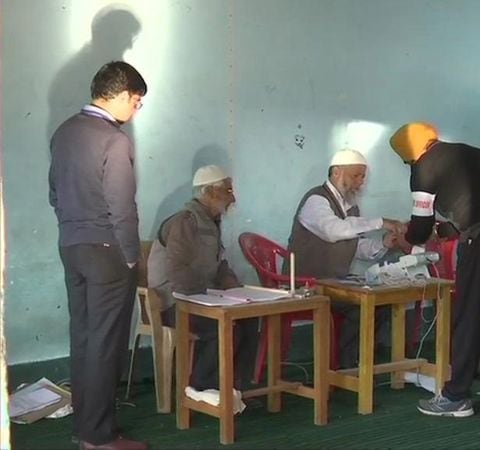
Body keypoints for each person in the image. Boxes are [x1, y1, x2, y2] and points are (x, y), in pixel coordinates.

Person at [389, 122, 480, 418]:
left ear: (408, 154)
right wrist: (446, 229)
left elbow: (420, 227)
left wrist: (407, 235)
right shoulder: (467, 152)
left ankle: (456, 396)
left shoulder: (423, 167)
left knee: (470, 311)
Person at [49, 61, 147, 450]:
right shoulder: (115, 139)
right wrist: (130, 258)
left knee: (85, 337)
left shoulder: (64, 132)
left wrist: (74, 227)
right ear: (121, 95)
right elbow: (122, 206)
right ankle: (100, 436)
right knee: (107, 343)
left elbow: (54, 193)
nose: (137, 110)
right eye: (137, 101)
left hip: (70, 245)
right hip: (107, 251)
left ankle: (83, 429)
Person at [148, 165, 258, 401]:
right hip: (172, 302)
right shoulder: (184, 223)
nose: (233, 197)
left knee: (249, 318)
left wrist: (236, 289)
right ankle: (202, 389)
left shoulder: (211, 221)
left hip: (199, 297)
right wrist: (213, 296)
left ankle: (235, 386)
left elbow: (219, 266)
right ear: (209, 192)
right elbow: (177, 273)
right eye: (228, 190)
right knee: (221, 325)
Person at [284, 148, 402, 368]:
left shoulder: (350, 207)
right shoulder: (316, 200)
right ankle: (346, 369)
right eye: (356, 176)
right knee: (359, 306)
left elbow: (356, 246)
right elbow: (334, 231)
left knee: (381, 303)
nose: (361, 183)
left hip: (332, 282)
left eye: (363, 177)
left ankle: (358, 363)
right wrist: (380, 222)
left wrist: (384, 243)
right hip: (306, 284)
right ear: (337, 172)